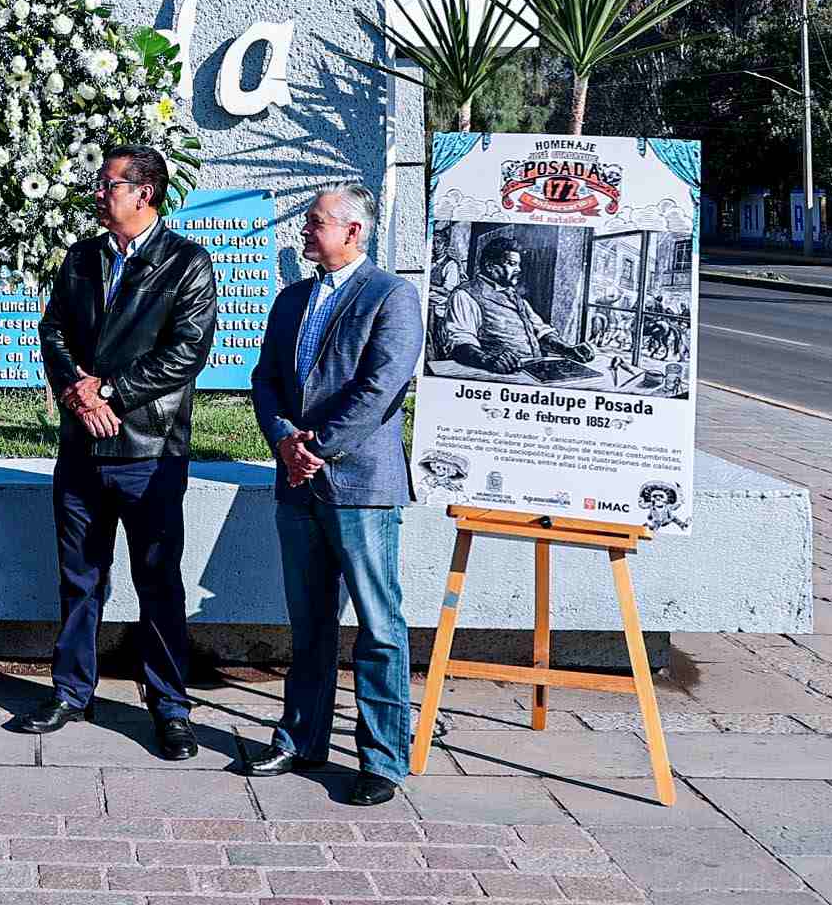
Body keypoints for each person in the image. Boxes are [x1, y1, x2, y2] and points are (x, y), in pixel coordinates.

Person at [12, 143, 218, 761]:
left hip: (148, 450)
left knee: (158, 581)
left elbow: (186, 352)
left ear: (144, 193)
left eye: (109, 185)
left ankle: (170, 706)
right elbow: (53, 330)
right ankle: (72, 692)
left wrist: (110, 392)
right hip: (82, 446)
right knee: (79, 577)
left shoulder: (186, 262)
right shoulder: (83, 257)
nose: (98, 194)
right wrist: (79, 394)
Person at [241, 185, 423, 807]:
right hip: (297, 483)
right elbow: (265, 379)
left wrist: (317, 445)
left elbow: (381, 386)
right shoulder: (292, 298)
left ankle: (382, 759)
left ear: (353, 231)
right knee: (309, 622)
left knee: (378, 625)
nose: (304, 231)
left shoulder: (391, 295)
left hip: (360, 484)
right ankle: (301, 739)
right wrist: (283, 440)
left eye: (316, 222)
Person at [436, 237, 596, 381]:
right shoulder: (465, 294)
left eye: (518, 264)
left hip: (532, 373)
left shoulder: (515, 297)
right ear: (490, 266)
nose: (519, 270)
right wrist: (487, 360)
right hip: (497, 377)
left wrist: (568, 350)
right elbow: (460, 341)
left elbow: (540, 331)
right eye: (512, 264)